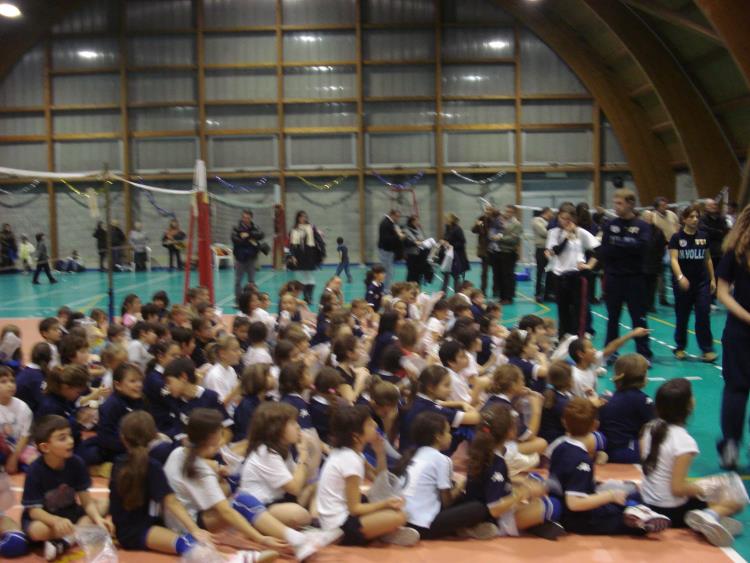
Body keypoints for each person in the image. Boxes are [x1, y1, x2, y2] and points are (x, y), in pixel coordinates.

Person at [163, 409, 340, 560]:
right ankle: (298, 539)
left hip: (182, 519)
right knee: (241, 501)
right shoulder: (201, 468)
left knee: (241, 497)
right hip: (189, 524)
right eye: (220, 430)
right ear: (212, 437)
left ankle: (300, 539)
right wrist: (260, 539)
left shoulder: (179, 453)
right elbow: (225, 511)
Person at [641, 378, 744, 546]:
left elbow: (650, 468)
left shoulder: (648, 428)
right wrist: (707, 487)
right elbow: (677, 489)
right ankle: (709, 516)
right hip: (670, 511)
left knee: (716, 494)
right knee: (735, 499)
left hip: (647, 501)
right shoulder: (684, 441)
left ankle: (711, 518)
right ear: (689, 406)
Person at [547, 398, 671, 536]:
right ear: (595, 425)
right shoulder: (581, 460)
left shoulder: (559, 447)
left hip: (566, 506)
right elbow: (574, 503)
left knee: (630, 492)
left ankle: (635, 510)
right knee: (623, 509)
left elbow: (566, 480)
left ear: (564, 421)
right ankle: (635, 516)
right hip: (579, 519)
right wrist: (610, 496)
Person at [316, 405, 419, 546]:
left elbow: (379, 480)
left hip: (343, 517)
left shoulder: (352, 454)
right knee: (400, 516)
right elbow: (355, 509)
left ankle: (382, 531)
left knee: (385, 502)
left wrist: (380, 452)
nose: (375, 425)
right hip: (339, 527)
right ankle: (383, 533)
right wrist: (385, 504)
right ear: (356, 436)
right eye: (370, 424)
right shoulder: (349, 460)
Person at [21, 415, 112, 560]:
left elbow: (86, 501)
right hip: (46, 519)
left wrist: (97, 519)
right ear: (45, 447)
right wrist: (55, 521)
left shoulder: (77, 463)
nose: (70, 441)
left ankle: (65, 541)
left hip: (71, 513)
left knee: (104, 504)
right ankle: (76, 534)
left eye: (70, 435)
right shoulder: (34, 471)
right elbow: (34, 511)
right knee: (37, 531)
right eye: (62, 438)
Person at [398, 412, 496, 540]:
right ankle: (464, 530)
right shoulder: (442, 459)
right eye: (448, 432)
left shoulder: (412, 454)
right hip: (423, 526)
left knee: (455, 494)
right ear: (438, 437)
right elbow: (447, 503)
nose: (451, 436)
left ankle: (462, 529)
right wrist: (460, 486)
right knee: (479, 508)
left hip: (401, 518)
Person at [598, 188, 652, 360]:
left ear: (630, 204)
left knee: (639, 317)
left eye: (620, 203)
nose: (616, 206)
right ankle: (610, 352)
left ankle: (644, 353)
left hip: (635, 279)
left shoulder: (642, 226)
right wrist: (627, 244)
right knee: (613, 317)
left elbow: (642, 247)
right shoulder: (610, 225)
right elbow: (605, 250)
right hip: (614, 278)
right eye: (615, 203)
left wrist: (619, 243)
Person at [716, 204, 750, 469]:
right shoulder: (735, 253)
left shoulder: (734, 251)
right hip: (741, 331)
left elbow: (722, 293)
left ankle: (730, 445)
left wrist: (746, 317)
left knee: (736, 388)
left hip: (739, 330)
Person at [668, 205, 717, 362]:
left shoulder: (703, 236)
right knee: (682, 316)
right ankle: (680, 347)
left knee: (703, 314)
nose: (695, 219)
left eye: (697, 217)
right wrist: (680, 277)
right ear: (684, 219)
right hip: (683, 285)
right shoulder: (677, 238)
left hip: (701, 283)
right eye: (691, 217)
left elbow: (707, 258)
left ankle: (707, 349)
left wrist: (712, 278)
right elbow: (673, 259)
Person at [545, 207, 599, 338]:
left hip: (576, 275)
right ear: (558, 217)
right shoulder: (554, 233)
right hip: (559, 275)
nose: (565, 221)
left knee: (579, 308)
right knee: (562, 308)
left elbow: (599, 249)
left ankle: (580, 334)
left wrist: (589, 265)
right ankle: (564, 334)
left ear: (574, 219)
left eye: (568, 219)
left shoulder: (581, 233)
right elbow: (556, 251)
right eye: (562, 218)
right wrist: (566, 237)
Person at [288, 211, 324, 305]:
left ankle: (310, 296)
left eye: (305, 217)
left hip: (310, 255)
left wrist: (322, 253)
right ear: (298, 218)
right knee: (302, 277)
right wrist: (292, 256)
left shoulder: (311, 228)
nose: (303, 218)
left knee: (310, 276)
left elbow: (319, 241)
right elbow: (291, 245)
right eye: (301, 217)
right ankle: (305, 296)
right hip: (299, 256)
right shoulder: (294, 230)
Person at [650, 197, 680, 306]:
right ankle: (662, 298)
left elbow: (677, 227)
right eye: (662, 205)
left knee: (676, 273)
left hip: (674, 247)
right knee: (660, 275)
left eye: (666, 204)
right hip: (661, 249)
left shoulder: (672, 215)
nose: (665, 207)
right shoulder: (653, 217)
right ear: (657, 207)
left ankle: (679, 298)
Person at [231, 209, 265, 305]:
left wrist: (248, 235)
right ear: (242, 217)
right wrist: (246, 239)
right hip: (240, 258)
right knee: (238, 281)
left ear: (251, 218)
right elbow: (235, 239)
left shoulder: (255, 227)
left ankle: (252, 301)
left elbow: (261, 235)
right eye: (244, 217)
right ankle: (238, 301)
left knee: (251, 281)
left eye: (248, 218)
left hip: (251, 257)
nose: (246, 219)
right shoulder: (236, 228)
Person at [495, 205, 522, 304]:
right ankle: (502, 296)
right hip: (500, 251)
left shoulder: (517, 224)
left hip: (510, 253)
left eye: (510, 211)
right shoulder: (500, 222)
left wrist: (500, 238)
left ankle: (508, 297)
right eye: (506, 211)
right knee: (500, 275)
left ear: (514, 213)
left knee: (508, 276)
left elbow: (514, 239)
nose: (507, 213)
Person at [700, 198, 729, 287]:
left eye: (715, 205)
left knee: (720, 276)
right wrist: (718, 232)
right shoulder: (702, 219)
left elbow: (725, 232)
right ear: (706, 207)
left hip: (720, 252)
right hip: (708, 253)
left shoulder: (722, 219)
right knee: (708, 277)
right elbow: (704, 231)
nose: (713, 206)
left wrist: (714, 232)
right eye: (710, 205)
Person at [643, 212, 668, 313]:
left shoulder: (658, 231)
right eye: (646, 217)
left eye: (650, 217)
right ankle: (644, 304)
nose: (648, 219)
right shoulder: (640, 229)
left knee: (652, 286)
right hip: (642, 263)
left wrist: (659, 257)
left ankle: (651, 305)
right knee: (643, 285)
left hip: (654, 263)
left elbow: (663, 246)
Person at [441, 213, 469, 294]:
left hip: (456, 256)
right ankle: (443, 294)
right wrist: (443, 242)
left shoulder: (457, 229)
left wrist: (451, 245)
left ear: (451, 220)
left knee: (456, 277)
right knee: (446, 276)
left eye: (447, 219)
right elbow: (446, 238)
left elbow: (462, 242)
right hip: (448, 256)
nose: (445, 220)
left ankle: (457, 294)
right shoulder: (447, 228)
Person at [377, 209, 404, 291]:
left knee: (389, 272)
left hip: (389, 251)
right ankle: (385, 290)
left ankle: (386, 289)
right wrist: (398, 236)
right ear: (392, 215)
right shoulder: (386, 223)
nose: (398, 218)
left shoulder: (391, 223)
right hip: (385, 251)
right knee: (387, 272)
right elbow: (386, 239)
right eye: (397, 216)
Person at [533, 208, 553, 303]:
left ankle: (548, 294)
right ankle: (538, 294)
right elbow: (544, 233)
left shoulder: (550, 222)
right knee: (540, 272)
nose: (552, 215)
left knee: (550, 272)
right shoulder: (537, 220)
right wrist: (553, 233)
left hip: (550, 250)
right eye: (551, 213)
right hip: (541, 249)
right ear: (547, 212)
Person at [403, 216, 429, 285]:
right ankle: (409, 288)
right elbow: (406, 242)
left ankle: (417, 288)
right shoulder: (405, 230)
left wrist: (423, 241)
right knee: (411, 274)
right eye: (416, 221)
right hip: (411, 255)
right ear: (412, 222)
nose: (418, 222)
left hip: (420, 255)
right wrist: (416, 242)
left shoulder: (418, 229)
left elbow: (422, 238)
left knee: (419, 274)